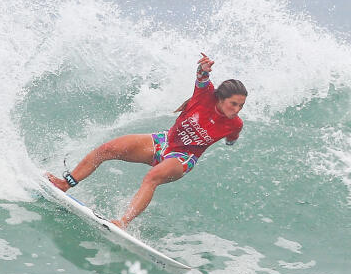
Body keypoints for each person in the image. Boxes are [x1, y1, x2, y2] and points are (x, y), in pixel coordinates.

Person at [45, 53, 246, 228]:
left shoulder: (235, 124)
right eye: (233, 104)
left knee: (152, 176)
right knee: (106, 149)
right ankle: (66, 184)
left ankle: (123, 222)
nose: (236, 110)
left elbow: (231, 138)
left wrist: (230, 142)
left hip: (183, 158)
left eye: (240, 106)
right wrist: (203, 68)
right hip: (164, 141)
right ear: (220, 97)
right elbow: (202, 76)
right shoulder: (205, 95)